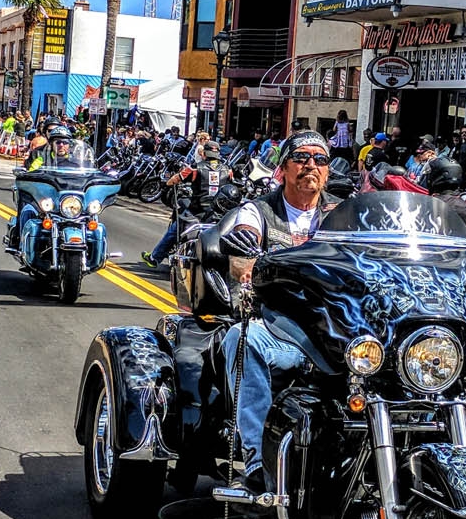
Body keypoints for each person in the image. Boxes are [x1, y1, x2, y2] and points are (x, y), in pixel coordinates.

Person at [219, 131, 337, 492]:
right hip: (279, 330)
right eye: (301, 157)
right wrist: (246, 254)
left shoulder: (341, 214)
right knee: (242, 340)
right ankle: (256, 462)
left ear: (328, 172)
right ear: (284, 167)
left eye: (320, 159)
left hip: (335, 334)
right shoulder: (260, 211)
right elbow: (243, 247)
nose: (310, 166)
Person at [142, 141, 228, 269]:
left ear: (204, 153)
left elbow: (175, 180)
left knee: (175, 229)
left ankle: (155, 258)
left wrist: (168, 183)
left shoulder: (194, 168)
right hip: (219, 212)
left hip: (197, 210)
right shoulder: (228, 170)